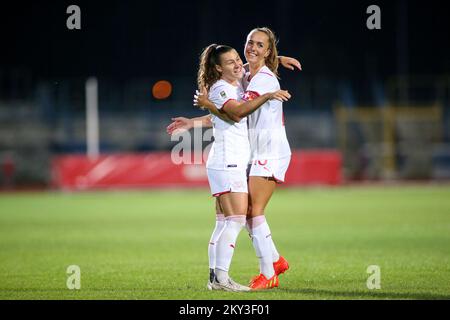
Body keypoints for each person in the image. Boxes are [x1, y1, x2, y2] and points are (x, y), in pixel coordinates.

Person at [180, 43, 291, 292]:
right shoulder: (221, 87)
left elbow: (219, 116)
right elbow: (237, 113)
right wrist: (268, 95)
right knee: (237, 220)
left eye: (237, 59)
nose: (237, 63)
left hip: (227, 162)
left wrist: (277, 58)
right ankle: (222, 278)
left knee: (223, 222)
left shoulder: (234, 85)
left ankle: (215, 278)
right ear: (218, 68)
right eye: (230, 62)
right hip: (228, 161)